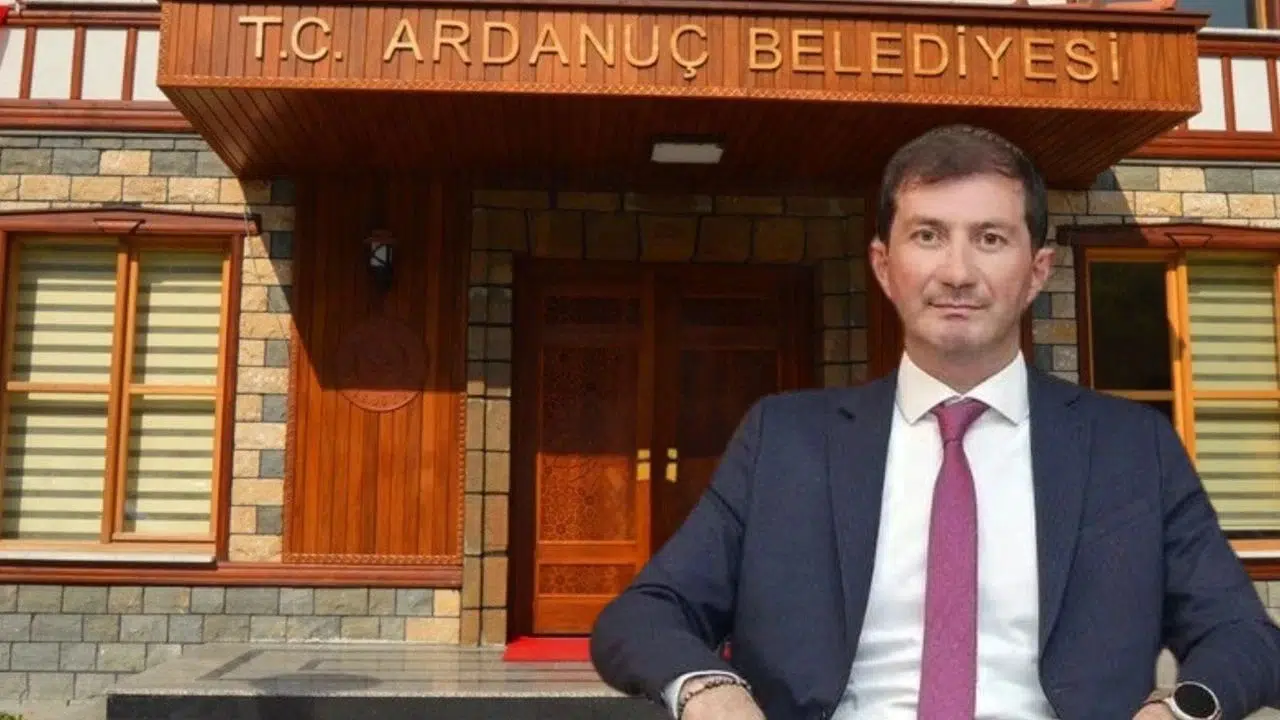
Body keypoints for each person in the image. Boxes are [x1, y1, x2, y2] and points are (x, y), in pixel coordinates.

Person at [588, 123, 1280, 720]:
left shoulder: (1131, 449)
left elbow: (1244, 636)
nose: (957, 272)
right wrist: (709, 689)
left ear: (1037, 270)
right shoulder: (786, 441)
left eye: (990, 238)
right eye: (928, 235)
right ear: (883, 266)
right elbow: (645, 613)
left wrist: (1179, 710)